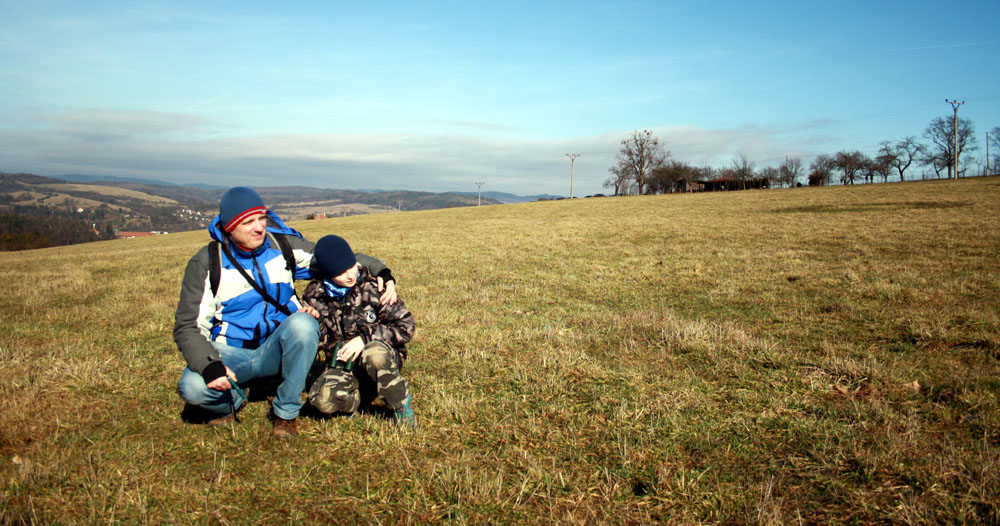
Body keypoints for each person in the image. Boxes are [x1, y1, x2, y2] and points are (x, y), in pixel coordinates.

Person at [174, 187, 396, 439]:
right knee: (193, 387)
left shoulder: (282, 246)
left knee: (303, 324)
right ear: (229, 227)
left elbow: (338, 259)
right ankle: (234, 398)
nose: (259, 227)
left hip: (279, 348)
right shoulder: (207, 263)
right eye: (248, 222)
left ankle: (286, 412)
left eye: (261, 218)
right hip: (231, 352)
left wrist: (381, 271)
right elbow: (188, 327)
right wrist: (210, 365)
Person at [302, 235, 416, 428]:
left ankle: (401, 404)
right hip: (344, 363)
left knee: (374, 354)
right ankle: (358, 398)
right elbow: (320, 343)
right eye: (340, 272)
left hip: (380, 358)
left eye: (351, 266)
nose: (350, 275)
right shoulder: (315, 295)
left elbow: (406, 326)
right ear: (327, 273)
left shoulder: (374, 287)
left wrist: (364, 339)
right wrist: (311, 321)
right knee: (322, 401)